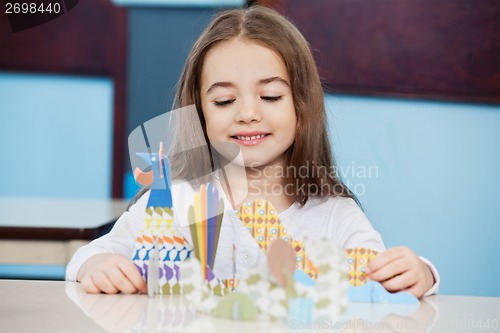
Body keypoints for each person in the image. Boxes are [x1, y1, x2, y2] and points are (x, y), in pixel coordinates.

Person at [66, 5, 439, 298]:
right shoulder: (175, 200)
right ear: (199, 114)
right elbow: (92, 254)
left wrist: (420, 272)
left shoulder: (334, 215)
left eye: (271, 96)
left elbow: (380, 276)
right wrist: (97, 264)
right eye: (225, 100)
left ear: (302, 106)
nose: (247, 113)